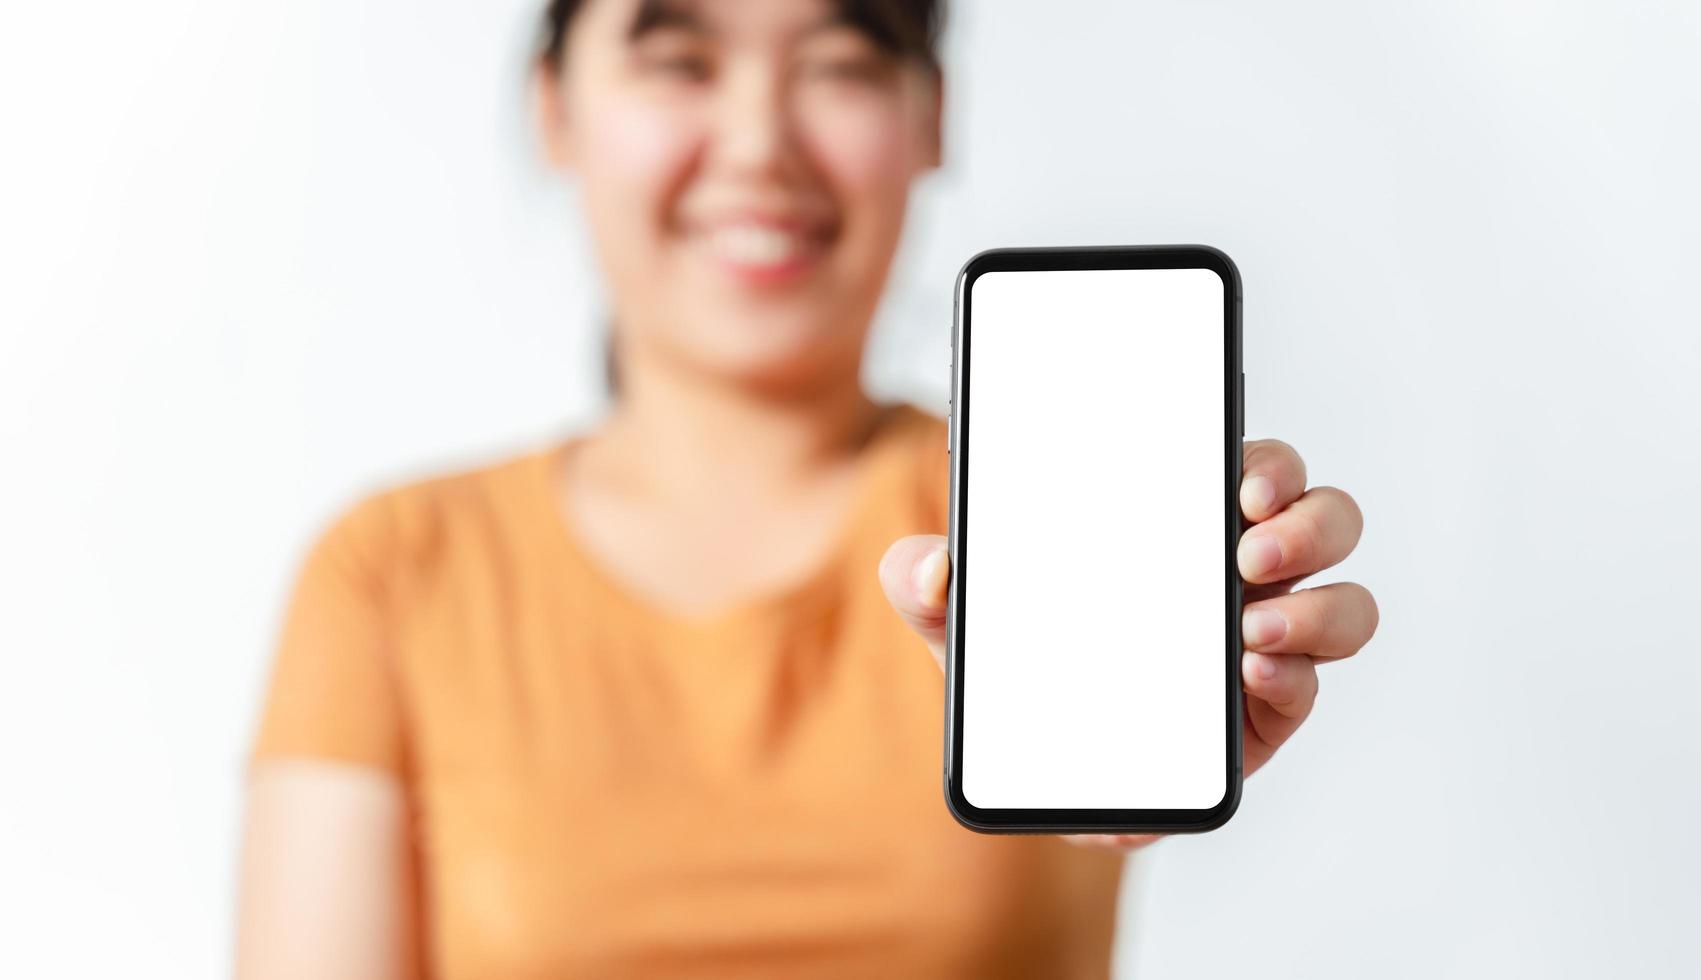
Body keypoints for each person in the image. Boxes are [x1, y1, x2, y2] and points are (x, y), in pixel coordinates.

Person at [233, 0, 1379, 976]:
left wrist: (1173, 715)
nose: (758, 144)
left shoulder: (1026, 512)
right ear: (555, 108)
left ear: (932, 116)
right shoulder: (396, 568)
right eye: (680, 60)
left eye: (839, 65)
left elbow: (1108, 816)